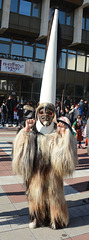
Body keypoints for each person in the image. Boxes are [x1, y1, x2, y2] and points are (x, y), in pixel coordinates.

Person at [12, 8, 77, 230]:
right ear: (38, 112)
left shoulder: (56, 129)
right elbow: (20, 160)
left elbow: (65, 163)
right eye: (43, 112)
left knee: (54, 191)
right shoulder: (33, 128)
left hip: (52, 173)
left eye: (50, 112)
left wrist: (64, 137)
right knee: (35, 190)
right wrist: (25, 134)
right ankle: (36, 216)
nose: (46, 115)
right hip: (36, 172)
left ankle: (56, 217)